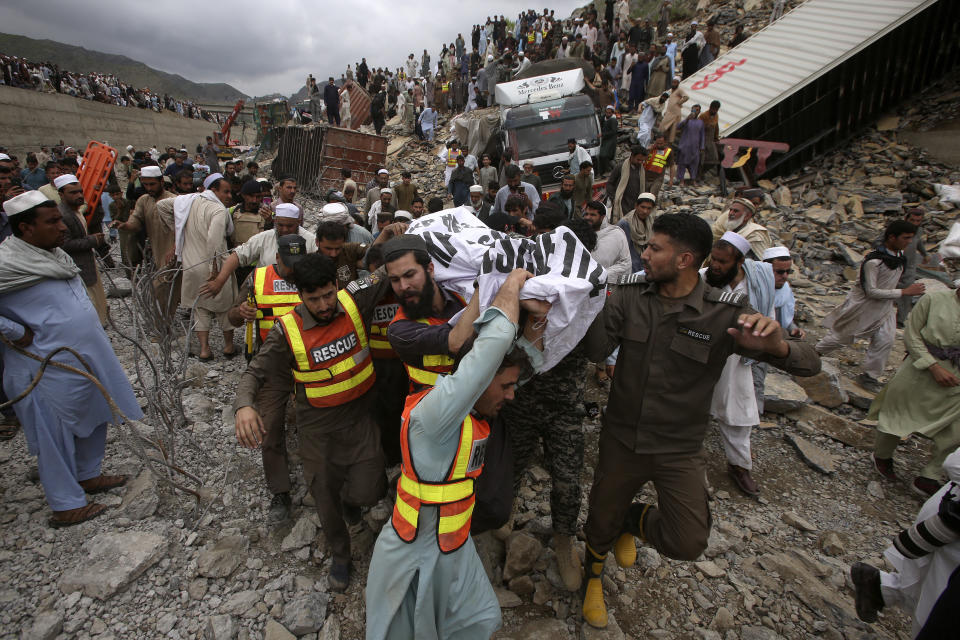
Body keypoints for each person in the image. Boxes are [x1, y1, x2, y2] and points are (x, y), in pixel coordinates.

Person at [579, 212, 821, 628]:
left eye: (655, 248)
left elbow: (809, 364)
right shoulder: (633, 296)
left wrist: (777, 346)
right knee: (598, 520)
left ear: (685, 259)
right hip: (622, 439)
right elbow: (596, 350)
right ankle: (592, 576)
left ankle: (630, 520)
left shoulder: (724, 313)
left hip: (678, 446)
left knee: (688, 540)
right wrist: (592, 306)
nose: (645, 253)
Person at [366, 268, 546, 640]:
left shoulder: (478, 409)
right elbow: (492, 348)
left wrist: (537, 319)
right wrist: (509, 283)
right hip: (413, 558)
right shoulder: (437, 413)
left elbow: (522, 364)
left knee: (480, 620)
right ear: (477, 377)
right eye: (507, 386)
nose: (513, 395)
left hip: (454, 549)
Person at [234, 253, 391, 591]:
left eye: (328, 294)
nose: (324, 305)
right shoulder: (286, 330)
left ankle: (353, 505)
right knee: (324, 493)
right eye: (314, 298)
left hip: (360, 418)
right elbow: (255, 372)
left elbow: (388, 272)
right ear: (300, 296)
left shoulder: (353, 298)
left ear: (337, 286)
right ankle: (340, 554)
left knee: (371, 488)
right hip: (318, 428)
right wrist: (244, 407)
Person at [0, 190, 142, 526]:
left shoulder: (53, 256)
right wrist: (13, 331)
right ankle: (65, 504)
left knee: (95, 411)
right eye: (52, 222)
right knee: (54, 433)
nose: (62, 228)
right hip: (43, 366)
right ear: (25, 228)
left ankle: (87, 475)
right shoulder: (6, 263)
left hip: (83, 358)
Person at [225, 234, 306, 522]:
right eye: (288, 265)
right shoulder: (256, 279)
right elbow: (232, 317)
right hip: (271, 368)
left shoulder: (312, 277)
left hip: (308, 365)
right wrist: (240, 312)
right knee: (270, 427)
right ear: (277, 259)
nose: (294, 271)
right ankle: (280, 492)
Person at [850, 448, 960, 634]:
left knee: (933, 587)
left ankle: (880, 586)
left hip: (950, 522)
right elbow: (954, 464)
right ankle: (881, 586)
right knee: (939, 603)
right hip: (950, 521)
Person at [703, 232, 776, 496]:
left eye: (722, 261)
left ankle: (739, 466)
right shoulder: (703, 279)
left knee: (738, 415)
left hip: (736, 361)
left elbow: (768, 318)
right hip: (700, 355)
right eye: (714, 259)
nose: (716, 265)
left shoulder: (757, 286)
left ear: (739, 262)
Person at [868, 287, 960, 496]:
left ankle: (929, 476)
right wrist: (933, 366)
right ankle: (882, 455)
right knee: (897, 412)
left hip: (956, 377)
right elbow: (912, 334)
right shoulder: (933, 299)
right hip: (919, 369)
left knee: (955, 429)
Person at [816, 220, 924, 391]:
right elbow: (871, 291)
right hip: (864, 307)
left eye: (911, 238)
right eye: (906, 238)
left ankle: (869, 376)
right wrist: (903, 293)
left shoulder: (898, 259)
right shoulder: (874, 262)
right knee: (842, 337)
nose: (909, 242)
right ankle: (812, 354)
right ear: (892, 237)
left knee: (885, 340)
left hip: (885, 308)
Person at [156, 173, 238, 360]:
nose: (229, 196)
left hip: (191, 266)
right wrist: (215, 271)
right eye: (225, 192)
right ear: (213, 190)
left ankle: (204, 350)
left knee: (200, 308)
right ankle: (228, 347)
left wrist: (179, 231)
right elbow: (214, 242)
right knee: (224, 307)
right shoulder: (218, 210)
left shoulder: (187, 201)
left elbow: (161, 206)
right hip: (212, 265)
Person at [110, 165, 178, 315]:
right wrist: (123, 225)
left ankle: (163, 326)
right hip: (156, 252)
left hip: (174, 253)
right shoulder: (143, 200)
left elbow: (182, 229)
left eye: (152, 184)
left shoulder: (174, 201)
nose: (149, 188)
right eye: (145, 184)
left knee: (161, 288)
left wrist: (175, 248)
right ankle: (164, 324)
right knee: (162, 290)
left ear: (161, 181)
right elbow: (135, 223)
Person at [55, 174, 109, 327]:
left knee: (97, 300)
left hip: (88, 263)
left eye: (80, 191)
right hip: (78, 267)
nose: (79, 195)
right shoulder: (63, 215)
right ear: (61, 194)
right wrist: (92, 241)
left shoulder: (76, 210)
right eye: (73, 193)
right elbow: (64, 244)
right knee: (88, 303)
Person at [894, 208, 929, 326]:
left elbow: (918, 243)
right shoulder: (897, 228)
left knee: (908, 294)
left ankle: (900, 320)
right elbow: (880, 242)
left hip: (909, 267)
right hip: (894, 265)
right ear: (906, 218)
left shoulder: (918, 231)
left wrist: (925, 254)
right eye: (912, 220)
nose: (915, 223)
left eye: (918, 220)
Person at [584, 200, 631, 283]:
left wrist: (601, 275)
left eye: (592, 215)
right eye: (586, 214)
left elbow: (625, 264)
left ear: (602, 217)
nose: (588, 217)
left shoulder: (616, 234)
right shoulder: (581, 233)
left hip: (607, 285)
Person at [763, 246, 804, 337]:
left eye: (788, 271)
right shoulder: (754, 289)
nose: (785, 276)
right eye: (780, 272)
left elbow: (787, 318)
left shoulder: (785, 288)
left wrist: (794, 329)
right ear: (766, 270)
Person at [618, 192, 657, 273]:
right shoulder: (625, 223)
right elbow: (621, 250)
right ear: (636, 206)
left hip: (644, 264)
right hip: (630, 266)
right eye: (642, 207)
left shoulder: (651, 222)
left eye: (649, 208)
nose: (645, 211)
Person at [607, 145, 646, 224]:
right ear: (632, 156)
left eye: (642, 161)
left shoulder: (641, 170)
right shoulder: (620, 167)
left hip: (634, 203)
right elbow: (610, 183)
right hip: (622, 202)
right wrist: (614, 198)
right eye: (638, 160)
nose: (640, 162)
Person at [699, 100, 726, 195]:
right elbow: (698, 129)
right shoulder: (703, 116)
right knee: (701, 159)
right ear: (710, 107)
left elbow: (716, 127)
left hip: (710, 141)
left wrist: (716, 138)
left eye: (716, 109)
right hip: (702, 140)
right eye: (713, 109)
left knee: (714, 159)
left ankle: (702, 172)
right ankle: (698, 176)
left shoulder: (716, 116)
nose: (714, 111)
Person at [675, 105, 705, 185]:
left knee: (694, 164)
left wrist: (702, 146)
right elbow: (678, 127)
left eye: (697, 110)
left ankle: (693, 180)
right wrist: (687, 119)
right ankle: (681, 180)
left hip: (695, 148)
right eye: (694, 110)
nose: (695, 111)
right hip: (684, 146)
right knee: (682, 164)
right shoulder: (687, 120)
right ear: (691, 110)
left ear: (699, 112)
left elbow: (702, 135)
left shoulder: (700, 122)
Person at [661, 77, 688, 142]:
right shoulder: (671, 91)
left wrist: (679, 102)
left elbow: (686, 97)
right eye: (673, 82)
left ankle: (669, 146)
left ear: (678, 83)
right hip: (669, 113)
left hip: (675, 114)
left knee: (672, 132)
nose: (673, 84)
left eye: (675, 82)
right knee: (664, 128)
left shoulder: (679, 90)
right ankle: (664, 142)